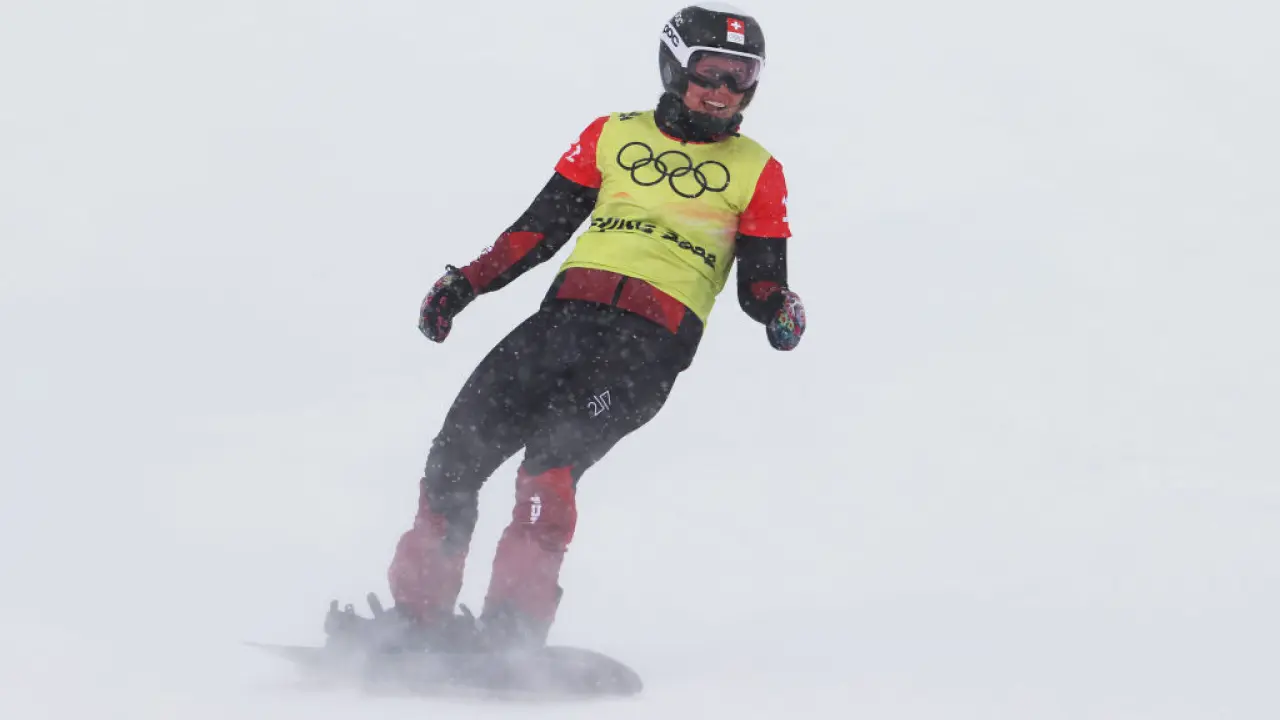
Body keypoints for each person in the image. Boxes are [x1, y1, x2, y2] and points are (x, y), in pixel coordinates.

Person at [325, 3, 807, 653]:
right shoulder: (611, 134)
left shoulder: (758, 169)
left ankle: (511, 638)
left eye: (741, 76)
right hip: (561, 322)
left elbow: (761, 282)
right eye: (709, 71)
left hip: (647, 345)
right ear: (673, 66)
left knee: (547, 470)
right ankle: (417, 620)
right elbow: (538, 230)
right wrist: (464, 283)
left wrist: (779, 308)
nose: (723, 90)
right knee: (454, 456)